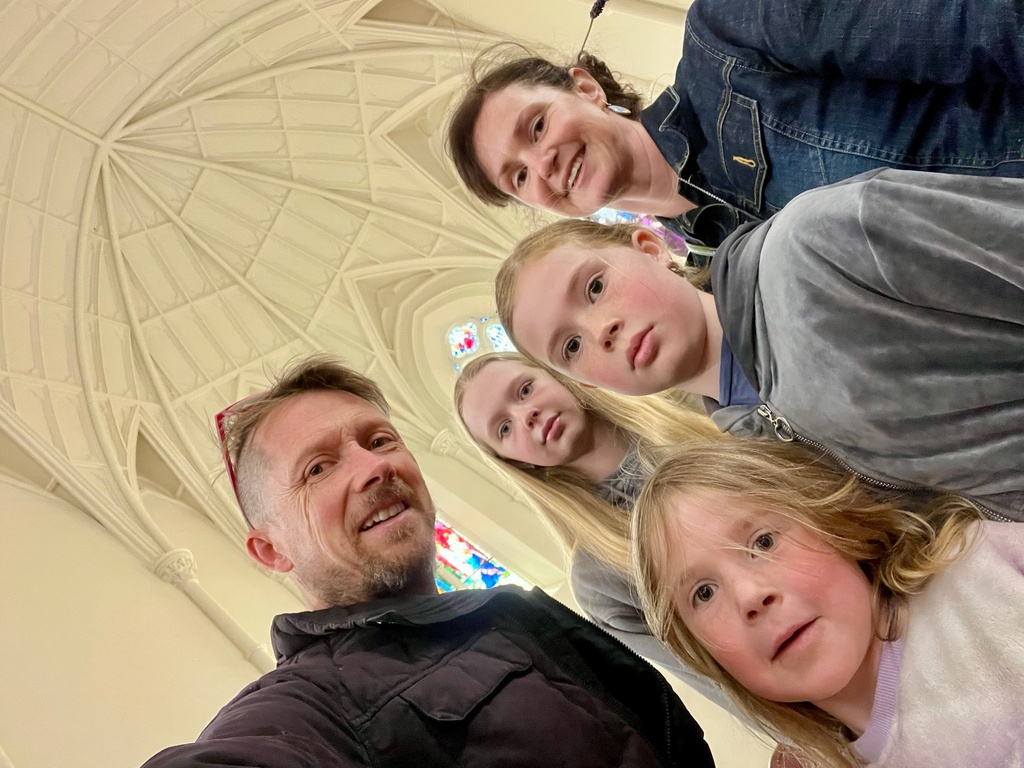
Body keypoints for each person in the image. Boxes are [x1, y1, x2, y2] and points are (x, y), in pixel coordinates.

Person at [141, 354, 716, 768]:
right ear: (271, 550)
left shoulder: (503, 619)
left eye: (380, 441)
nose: (374, 467)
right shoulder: (315, 705)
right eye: (318, 468)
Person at [493, 169, 1024, 521]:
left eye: (594, 287)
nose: (600, 330)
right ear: (586, 385)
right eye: (570, 347)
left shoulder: (819, 243)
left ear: (652, 248)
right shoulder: (751, 468)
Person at [446, 0, 1024, 253]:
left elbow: (981, 23)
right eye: (517, 177)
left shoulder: (726, 40)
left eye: (536, 127)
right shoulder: (719, 280)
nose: (542, 164)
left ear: (587, 89)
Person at [631, 438, 1024, 768]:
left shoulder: (986, 568)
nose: (750, 595)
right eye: (704, 593)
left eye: (763, 542)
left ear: (832, 520)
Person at [454, 352, 728, 697]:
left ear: (557, 374)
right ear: (514, 462)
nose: (527, 416)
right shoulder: (597, 581)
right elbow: (719, 683)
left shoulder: (697, 399)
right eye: (504, 428)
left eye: (524, 390)